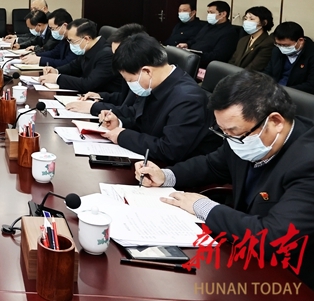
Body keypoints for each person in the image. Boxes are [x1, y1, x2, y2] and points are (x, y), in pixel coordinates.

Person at [135, 71, 314, 288]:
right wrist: (166, 176)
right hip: (244, 252)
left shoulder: (308, 162)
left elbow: (274, 238)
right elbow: (212, 165)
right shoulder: (245, 136)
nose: (229, 139)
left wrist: (205, 207)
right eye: (223, 131)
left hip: (291, 278)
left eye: (233, 132)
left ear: (275, 121)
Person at [96, 34, 221, 164]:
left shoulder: (188, 99)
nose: (130, 85)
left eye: (130, 80)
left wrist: (122, 136)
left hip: (174, 168)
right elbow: (142, 119)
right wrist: (119, 123)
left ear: (147, 72)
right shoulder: (155, 84)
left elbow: (169, 150)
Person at [65, 23, 145, 116]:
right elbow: (124, 97)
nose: (115, 59)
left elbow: (132, 113)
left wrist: (93, 107)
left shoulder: (145, 80)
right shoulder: (130, 69)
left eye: (118, 55)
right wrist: (101, 96)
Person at [39, 18, 122, 94]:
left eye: (72, 41)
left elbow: (88, 84)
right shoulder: (88, 48)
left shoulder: (107, 55)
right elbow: (73, 66)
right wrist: (56, 71)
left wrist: (57, 78)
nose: (70, 44)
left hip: (104, 99)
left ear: (86, 39)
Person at [178, 0, 239, 67]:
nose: (209, 15)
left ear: (223, 14)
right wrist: (187, 45)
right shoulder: (207, 26)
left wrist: (196, 56)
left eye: (212, 12)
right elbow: (196, 40)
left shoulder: (229, 33)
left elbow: (218, 56)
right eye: (208, 12)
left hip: (205, 64)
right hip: (192, 58)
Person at [263, 21, 314, 94]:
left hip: (298, 95)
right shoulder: (277, 51)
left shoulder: (311, 54)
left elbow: (311, 85)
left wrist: (282, 91)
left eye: (286, 45)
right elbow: (268, 73)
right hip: (274, 92)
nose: (282, 48)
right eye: (278, 44)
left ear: (301, 41)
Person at [228, 6, 275, 71]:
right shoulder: (243, 40)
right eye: (245, 18)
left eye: (251, 19)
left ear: (264, 22)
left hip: (250, 76)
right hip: (235, 74)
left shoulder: (268, 43)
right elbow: (233, 61)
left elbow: (255, 67)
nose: (247, 21)